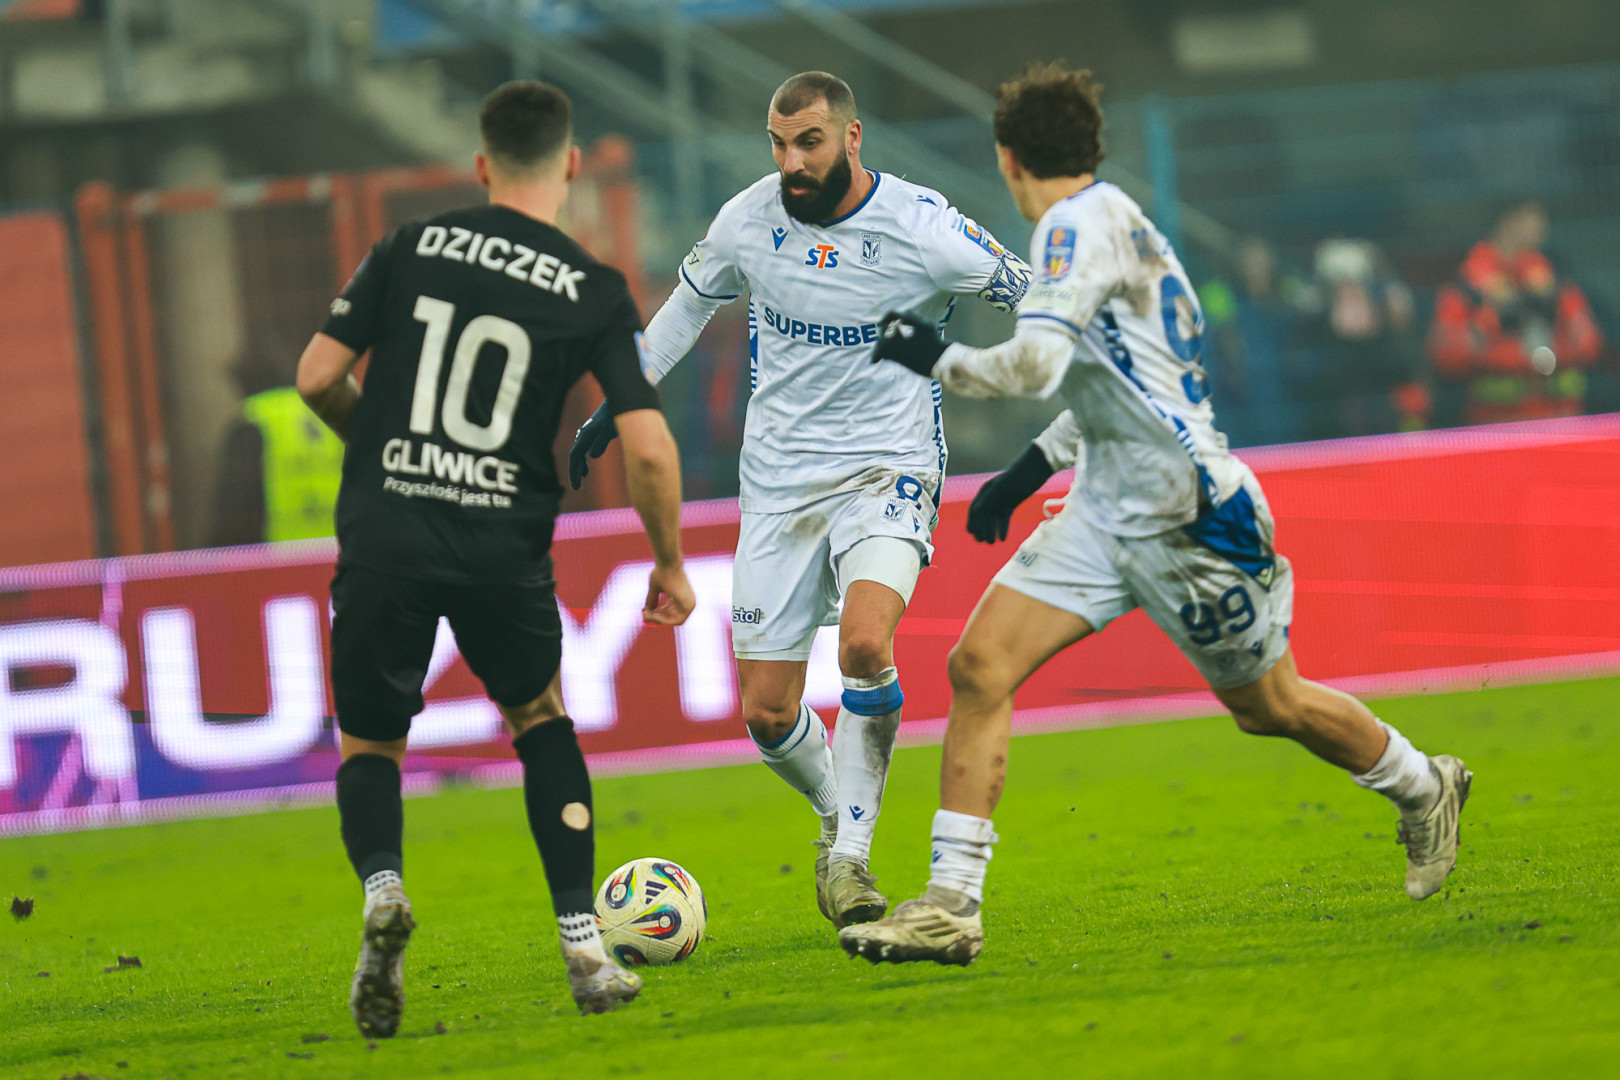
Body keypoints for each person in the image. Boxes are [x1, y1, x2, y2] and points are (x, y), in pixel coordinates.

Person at [839, 63, 1471, 966]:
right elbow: (1117, 383)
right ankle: (951, 905)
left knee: (1270, 706)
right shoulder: (1116, 223)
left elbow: (1035, 366)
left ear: (1009, 159)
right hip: (1106, 508)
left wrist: (926, 354)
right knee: (979, 666)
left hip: (1190, 517)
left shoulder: (1071, 230)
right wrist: (1030, 468)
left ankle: (1423, 784)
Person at [569, 71, 1031, 930]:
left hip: (888, 467)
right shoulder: (748, 220)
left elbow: (1034, 297)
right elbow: (684, 310)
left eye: (809, 142)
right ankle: (834, 815)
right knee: (767, 711)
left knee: (865, 644)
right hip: (779, 481)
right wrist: (619, 401)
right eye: (779, 145)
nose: (791, 162)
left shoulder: (924, 228)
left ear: (851, 138)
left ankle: (850, 859)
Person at [295, 81, 694, 1028]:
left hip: (387, 532)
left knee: (371, 742)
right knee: (539, 719)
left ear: (481, 164)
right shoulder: (593, 288)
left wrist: (382, 451)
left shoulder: (410, 246)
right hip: (499, 545)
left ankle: (384, 890)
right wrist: (670, 560)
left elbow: (315, 377)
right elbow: (647, 447)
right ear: (570, 163)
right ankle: (585, 952)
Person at [1429, 200, 1604, 425]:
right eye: (1532, 217)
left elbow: (1589, 343)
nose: (1541, 226)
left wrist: (1550, 325)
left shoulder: (1553, 278)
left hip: (1562, 422)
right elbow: (1446, 355)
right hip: (1497, 427)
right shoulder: (1469, 285)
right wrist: (1492, 318)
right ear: (1508, 221)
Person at [212, 335, 345, 546]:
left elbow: (236, 509)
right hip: (336, 553)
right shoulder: (327, 414)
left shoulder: (254, 420)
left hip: (280, 559)